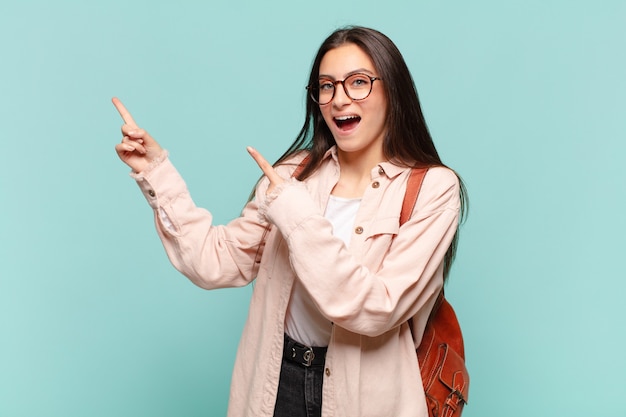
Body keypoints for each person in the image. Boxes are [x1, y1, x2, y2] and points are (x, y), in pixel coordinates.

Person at [113, 26, 467, 417]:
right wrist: (157, 172)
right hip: (275, 382)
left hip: (366, 399)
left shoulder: (432, 188)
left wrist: (296, 215)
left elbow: (376, 308)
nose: (339, 98)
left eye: (359, 82)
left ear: (392, 91)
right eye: (326, 86)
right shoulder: (293, 174)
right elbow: (214, 262)